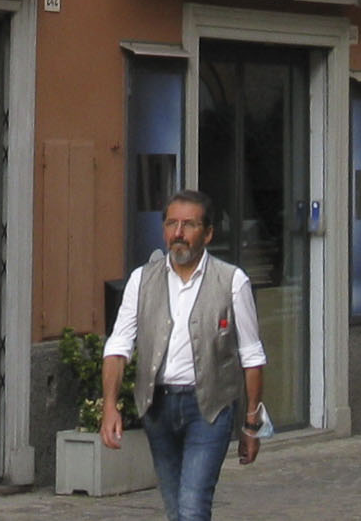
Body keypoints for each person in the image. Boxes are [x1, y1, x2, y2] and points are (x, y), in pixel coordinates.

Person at [100, 190, 269, 521]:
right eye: (171, 224)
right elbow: (118, 345)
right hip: (158, 407)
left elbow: (252, 356)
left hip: (208, 409)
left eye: (189, 225)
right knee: (175, 507)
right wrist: (110, 406)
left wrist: (252, 424)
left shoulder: (232, 281)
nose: (178, 233)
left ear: (207, 233)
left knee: (192, 506)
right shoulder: (141, 280)